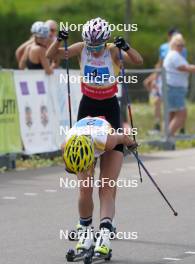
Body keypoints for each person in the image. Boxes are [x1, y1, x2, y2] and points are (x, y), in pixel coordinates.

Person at [47, 17, 143, 253]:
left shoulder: (111, 50)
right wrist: (59, 39)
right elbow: (55, 55)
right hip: (87, 106)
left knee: (107, 183)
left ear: (106, 40)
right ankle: (85, 225)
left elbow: (138, 61)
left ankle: (104, 227)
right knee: (85, 183)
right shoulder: (81, 47)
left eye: (97, 45)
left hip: (110, 107)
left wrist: (126, 47)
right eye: (90, 44)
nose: (93, 49)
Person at [61, 116, 137, 255]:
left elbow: (124, 137)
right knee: (85, 188)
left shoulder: (108, 140)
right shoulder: (66, 146)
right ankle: (85, 232)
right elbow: (72, 165)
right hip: (82, 140)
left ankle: (105, 234)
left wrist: (132, 144)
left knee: (106, 189)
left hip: (107, 140)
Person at [144, 28, 187, 133]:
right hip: (163, 78)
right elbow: (160, 63)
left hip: (174, 80)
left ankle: (179, 129)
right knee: (158, 102)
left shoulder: (183, 49)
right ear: (169, 37)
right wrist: (153, 77)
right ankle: (158, 124)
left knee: (174, 108)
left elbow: (182, 65)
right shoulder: (163, 47)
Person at [163, 34, 195, 137]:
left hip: (173, 88)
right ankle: (169, 137)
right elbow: (183, 67)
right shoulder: (174, 55)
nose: (181, 47)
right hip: (174, 88)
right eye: (179, 44)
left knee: (171, 114)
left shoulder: (174, 54)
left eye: (182, 45)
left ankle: (167, 137)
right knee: (182, 113)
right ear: (173, 44)